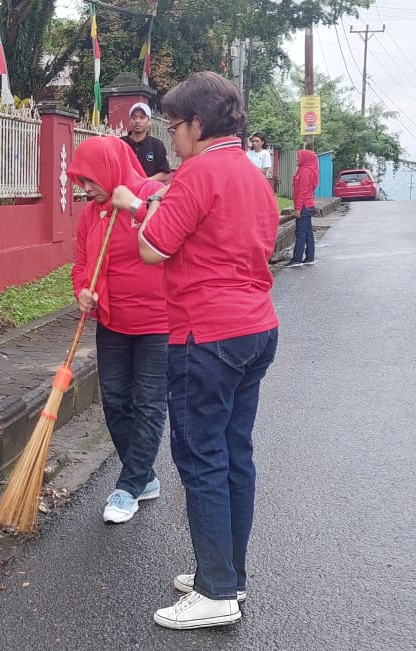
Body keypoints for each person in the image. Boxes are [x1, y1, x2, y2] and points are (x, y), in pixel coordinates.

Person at [109, 71, 279, 630]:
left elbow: (153, 248)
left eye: (175, 125)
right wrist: (151, 206)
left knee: (202, 458)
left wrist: (139, 208)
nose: (171, 135)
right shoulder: (251, 174)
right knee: (234, 454)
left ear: (198, 125)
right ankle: (228, 574)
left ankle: (215, 593)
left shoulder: (198, 172)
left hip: (204, 334)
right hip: (255, 328)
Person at [67, 137, 169, 524]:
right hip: (112, 321)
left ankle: (128, 486)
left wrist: (136, 207)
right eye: (80, 182)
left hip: (157, 323)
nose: (85, 189)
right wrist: (83, 290)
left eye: (89, 180)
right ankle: (144, 477)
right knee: (114, 401)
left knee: (149, 404)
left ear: (108, 170)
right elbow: (81, 263)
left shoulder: (153, 194)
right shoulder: (91, 215)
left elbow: (170, 239)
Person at [120, 102, 172, 182]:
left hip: (149, 188)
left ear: (149, 121)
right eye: (134, 117)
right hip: (124, 188)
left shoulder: (157, 145)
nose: (137, 121)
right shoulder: (120, 143)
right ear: (130, 121)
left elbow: (165, 174)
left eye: (142, 117)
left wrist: (145, 182)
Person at [284, 149, 318, 267]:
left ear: (305, 159)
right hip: (308, 204)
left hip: (304, 205)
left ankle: (297, 258)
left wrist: (298, 208)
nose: (297, 159)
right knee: (308, 233)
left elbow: (302, 191)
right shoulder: (306, 169)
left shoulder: (305, 171)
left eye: (299, 157)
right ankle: (309, 257)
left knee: (301, 233)